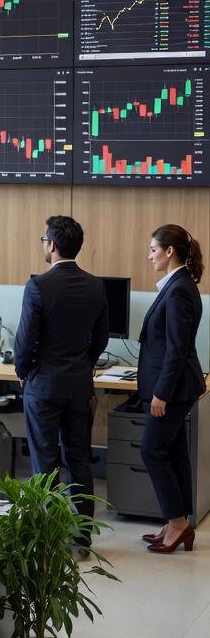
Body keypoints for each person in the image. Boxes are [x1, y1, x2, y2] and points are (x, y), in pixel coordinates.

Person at [14, 215, 109, 525]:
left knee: (45, 461)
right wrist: (84, 362)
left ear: (52, 245)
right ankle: (82, 533)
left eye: (44, 240)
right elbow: (102, 337)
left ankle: (49, 535)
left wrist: (22, 369)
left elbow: (26, 339)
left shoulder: (38, 285)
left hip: (43, 385)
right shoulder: (95, 285)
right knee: (79, 458)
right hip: (79, 385)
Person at [138, 225, 205, 554]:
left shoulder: (178, 289)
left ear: (169, 252)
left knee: (152, 450)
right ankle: (177, 524)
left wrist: (161, 393)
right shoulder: (177, 285)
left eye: (153, 249)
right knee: (173, 452)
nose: (149, 256)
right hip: (176, 385)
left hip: (173, 389)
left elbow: (177, 348)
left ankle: (177, 523)